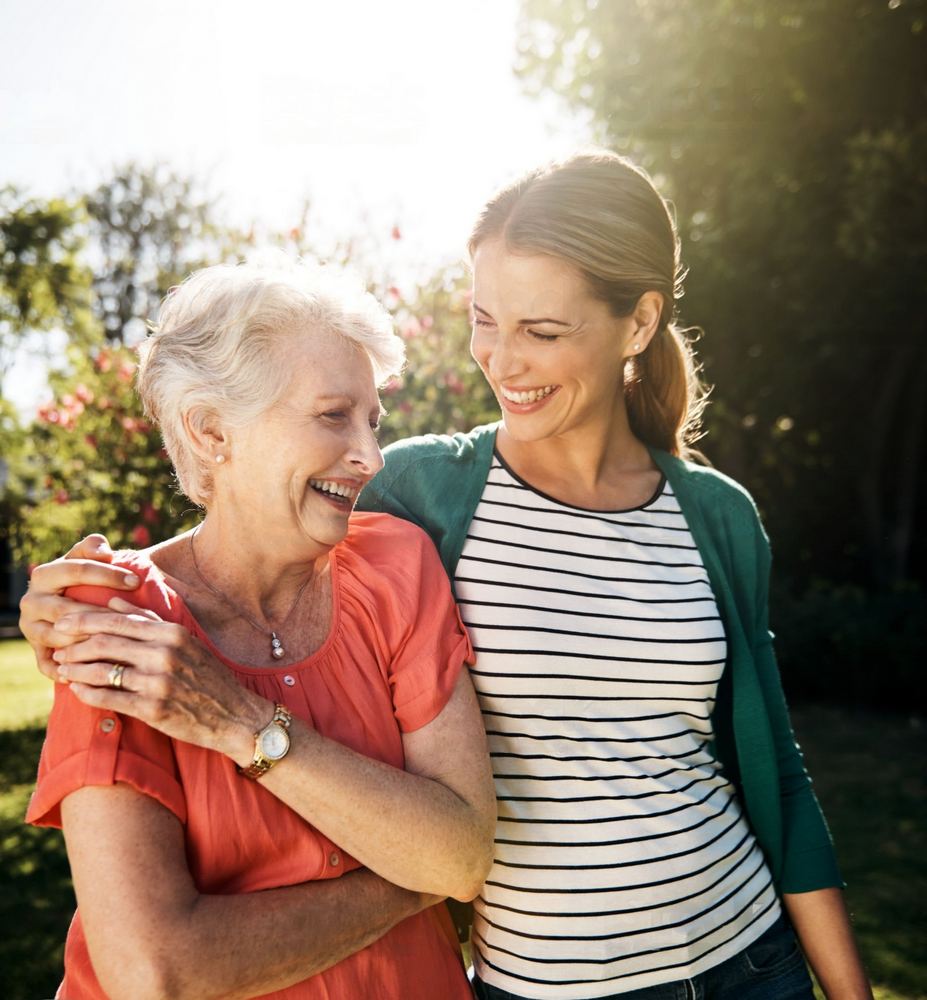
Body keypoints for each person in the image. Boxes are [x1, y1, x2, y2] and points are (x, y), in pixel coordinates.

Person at [20, 152, 873, 999]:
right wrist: (83, 597)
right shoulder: (426, 492)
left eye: (541, 331)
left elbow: (776, 776)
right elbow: (251, 505)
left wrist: (847, 990)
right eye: (483, 319)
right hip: (543, 983)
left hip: (748, 954)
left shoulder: (715, 516)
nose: (501, 362)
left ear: (639, 324)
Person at [20, 257, 497, 1000]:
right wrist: (411, 877)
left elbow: (461, 853)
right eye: (332, 415)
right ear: (212, 430)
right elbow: (158, 971)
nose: (369, 455)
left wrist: (243, 723)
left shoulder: (393, 565)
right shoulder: (115, 619)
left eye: (372, 421)